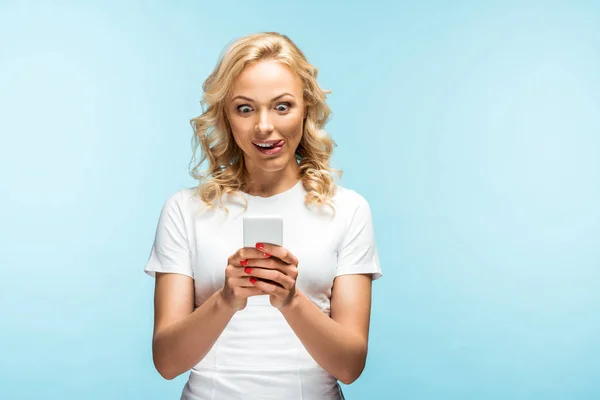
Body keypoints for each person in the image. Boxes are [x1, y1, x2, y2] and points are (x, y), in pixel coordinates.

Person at [144, 31, 383, 400]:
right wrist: (226, 300)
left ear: (306, 109)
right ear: (226, 115)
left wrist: (290, 300)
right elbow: (167, 362)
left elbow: (350, 367)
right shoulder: (185, 209)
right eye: (245, 108)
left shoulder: (348, 210)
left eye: (282, 106)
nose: (264, 126)